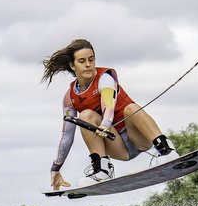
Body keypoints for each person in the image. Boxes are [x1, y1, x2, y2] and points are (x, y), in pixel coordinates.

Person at [42, 38, 178, 191]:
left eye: (91, 60)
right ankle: (102, 169)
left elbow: (108, 105)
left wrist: (105, 124)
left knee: (131, 109)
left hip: (138, 137)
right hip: (117, 147)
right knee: (85, 116)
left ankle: (166, 149)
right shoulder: (69, 98)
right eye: (82, 61)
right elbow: (67, 135)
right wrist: (56, 168)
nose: (88, 64)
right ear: (72, 65)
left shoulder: (105, 78)